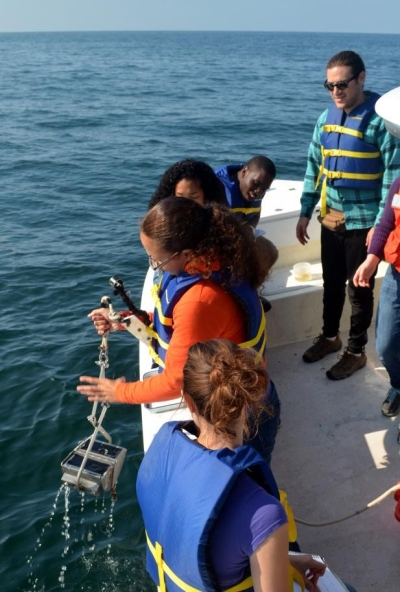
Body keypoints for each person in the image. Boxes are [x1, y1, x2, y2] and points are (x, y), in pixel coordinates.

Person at [136, 339, 355, 592]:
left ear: (189, 401)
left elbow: (215, 555)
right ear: (246, 401)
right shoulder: (262, 514)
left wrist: (289, 559)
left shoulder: (160, 457)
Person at [77, 196, 280, 463]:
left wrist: (119, 392)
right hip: (237, 396)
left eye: (156, 260)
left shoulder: (198, 299)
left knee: (250, 479)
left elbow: (176, 380)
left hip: (245, 416)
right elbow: (176, 325)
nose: (154, 265)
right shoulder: (209, 260)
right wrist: (124, 320)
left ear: (185, 254)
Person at [296, 50, 400, 380]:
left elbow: (391, 177)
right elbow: (315, 166)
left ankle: (355, 352)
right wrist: (304, 210)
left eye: (342, 84)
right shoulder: (325, 118)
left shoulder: (381, 122)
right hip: (331, 219)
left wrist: (379, 229)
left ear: (361, 78)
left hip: (364, 223)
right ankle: (330, 337)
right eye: (330, 86)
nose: (336, 92)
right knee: (331, 284)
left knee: (359, 289)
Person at [354, 86, 400, 417]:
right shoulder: (399, 182)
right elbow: (386, 223)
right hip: (397, 273)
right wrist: (371, 258)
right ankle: (398, 383)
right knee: (386, 343)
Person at [148, 158, 227, 209]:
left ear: (207, 196)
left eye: (193, 197)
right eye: (179, 197)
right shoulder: (161, 224)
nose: (185, 203)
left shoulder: (219, 226)